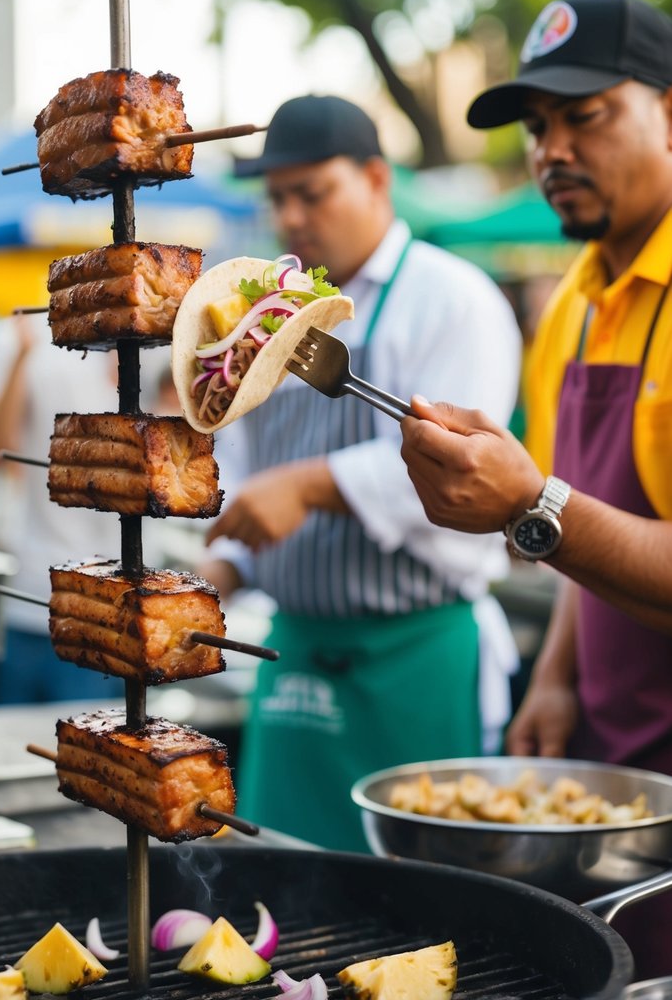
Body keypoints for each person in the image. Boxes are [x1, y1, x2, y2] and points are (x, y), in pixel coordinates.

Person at [399, 0, 672, 977]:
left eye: (584, 114)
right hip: (616, 777)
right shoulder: (571, 307)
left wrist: (527, 502)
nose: (551, 148)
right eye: (536, 126)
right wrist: (555, 673)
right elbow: (573, 527)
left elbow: (552, 508)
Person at [197, 93, 523, 852]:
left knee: (417, 909)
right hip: (296, 661)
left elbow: (462, 473)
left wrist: (309, 486)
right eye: (278, 198)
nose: (292, 218)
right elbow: (250, 489)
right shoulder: (269, 321)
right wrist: (216, 573)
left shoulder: (451, 298)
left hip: (413, 663)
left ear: (376, 179)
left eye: (313, 193)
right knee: (280, 885)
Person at [0, 312, 126, 704]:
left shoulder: (156, 339)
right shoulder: (24, 334)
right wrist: (21, 356)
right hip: (33, 596)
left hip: (111, 608)